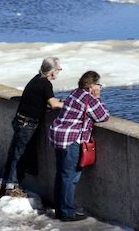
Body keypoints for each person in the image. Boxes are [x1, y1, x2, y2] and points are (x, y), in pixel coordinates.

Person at [0, 57, 64, 198]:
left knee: (14, 153)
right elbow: (53, 105)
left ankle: (3, 183)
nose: (59, 72)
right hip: (28, 123)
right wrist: (69, 104)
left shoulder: (36, 79)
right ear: (53, 72)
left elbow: (46, 100)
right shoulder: (45, 84)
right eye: (58, 69)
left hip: (20, 120)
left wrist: (59, 101)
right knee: (19, 155)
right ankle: (11, 187)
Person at [48, 70, 109, 222]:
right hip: (71, 140)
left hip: (59, 135)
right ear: (92, 86)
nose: (99, 87)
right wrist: (97, 97)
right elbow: (103, 116)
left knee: (61, 175)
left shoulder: (75, 93)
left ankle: (60, 210)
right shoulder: (89, 98)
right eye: (99, 85)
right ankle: (67, 213)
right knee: (70, 176)